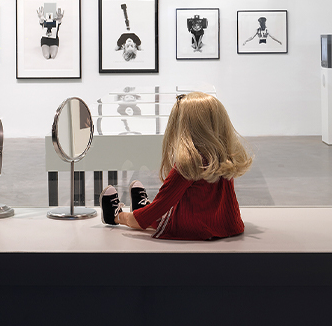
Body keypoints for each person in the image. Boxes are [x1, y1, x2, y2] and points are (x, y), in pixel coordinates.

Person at [101, 92, 249, 240]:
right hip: (228, 226)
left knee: (153, 214)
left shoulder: (189, 165)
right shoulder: (224, 158)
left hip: (190, 228)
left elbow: (159, 207)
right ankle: (141, 208)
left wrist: (124, 218)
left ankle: (114, 216)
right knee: (156, 212)